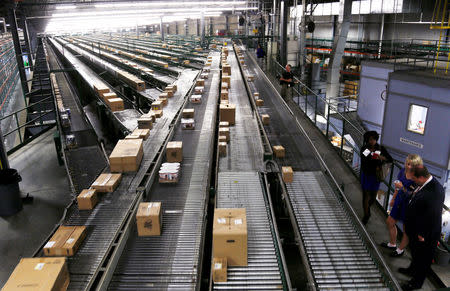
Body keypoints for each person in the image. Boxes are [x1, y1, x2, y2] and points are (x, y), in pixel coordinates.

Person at [399, 165, 444, 291]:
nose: (413, 181)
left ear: (422, 177)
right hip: (415, 229)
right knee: (415, 253)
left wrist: (422, 233)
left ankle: (416, 283)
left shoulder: (436, 190)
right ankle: (411, 270)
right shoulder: (423, 184)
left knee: (422, 260)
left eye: (415, 179)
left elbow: (433, 215)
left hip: (425, 234)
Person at [380, 154, 422, 257]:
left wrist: (402, 187)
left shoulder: (417, 178)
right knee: (390, 222)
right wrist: (393, 198)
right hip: (399, 200)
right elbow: (397, 188)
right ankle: (392, 244)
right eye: (408, 164)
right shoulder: (403, 171)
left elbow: (412, 194)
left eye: (412, 165)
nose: (409, 167)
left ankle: (400, 250)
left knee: (405, 229)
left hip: (408, 205)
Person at [359, 131, 393, 224]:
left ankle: (367, 209)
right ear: (367, 140)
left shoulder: (380, 148)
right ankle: (366, 215)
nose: (372, 141)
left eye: (373, 139)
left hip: (375, 176)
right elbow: (366, 159)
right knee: (365, 196)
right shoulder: (364, 148)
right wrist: (376, 157)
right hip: (366, 175)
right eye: (370, 139)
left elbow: (390, 159)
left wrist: (382, 158)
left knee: (373, 197)